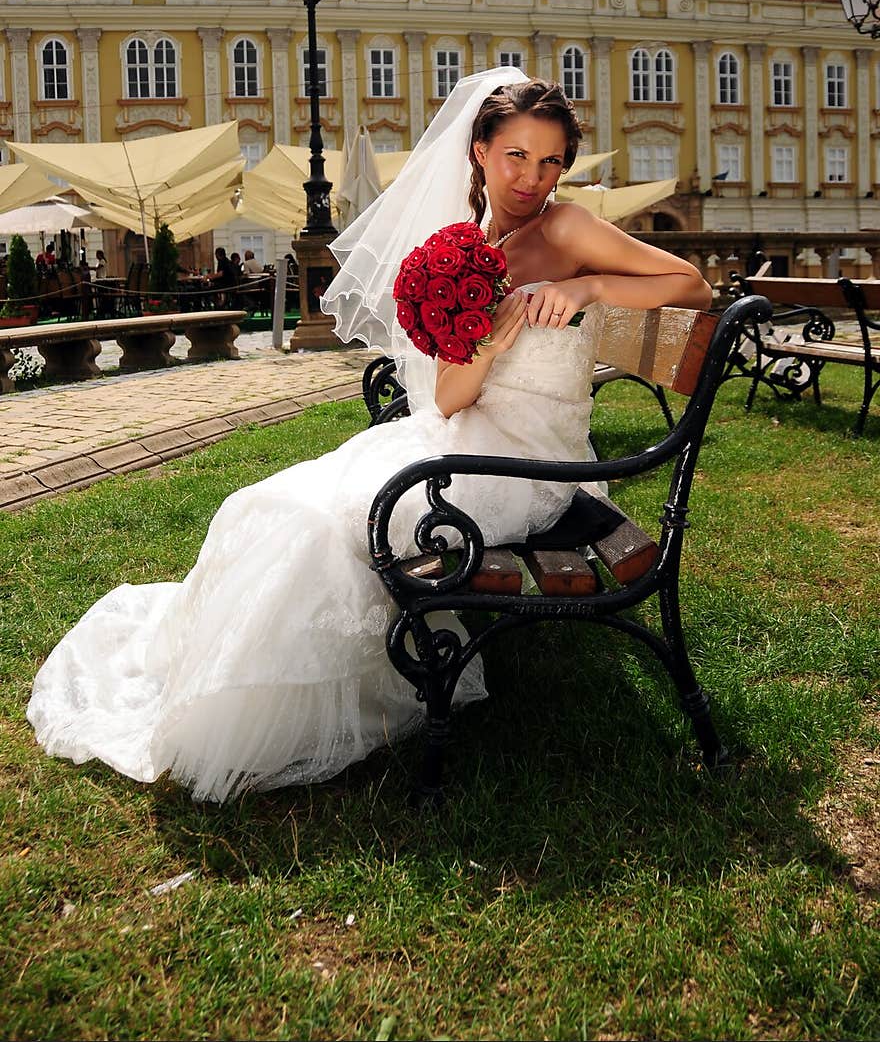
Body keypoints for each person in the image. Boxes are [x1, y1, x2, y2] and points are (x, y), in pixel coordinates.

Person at [27, 69, 710, 803]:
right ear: (479, 151)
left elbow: (692, 285)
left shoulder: (567, 227)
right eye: (516, 155)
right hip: (465, 438)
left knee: (338, 520)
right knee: (273, 502)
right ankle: (244, 694)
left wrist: (586, 288)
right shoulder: (469, 247)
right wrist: (486, 339)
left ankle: (283, 709)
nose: (533, 178)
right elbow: (449, 396)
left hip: (534, 464)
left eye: (550, 161)